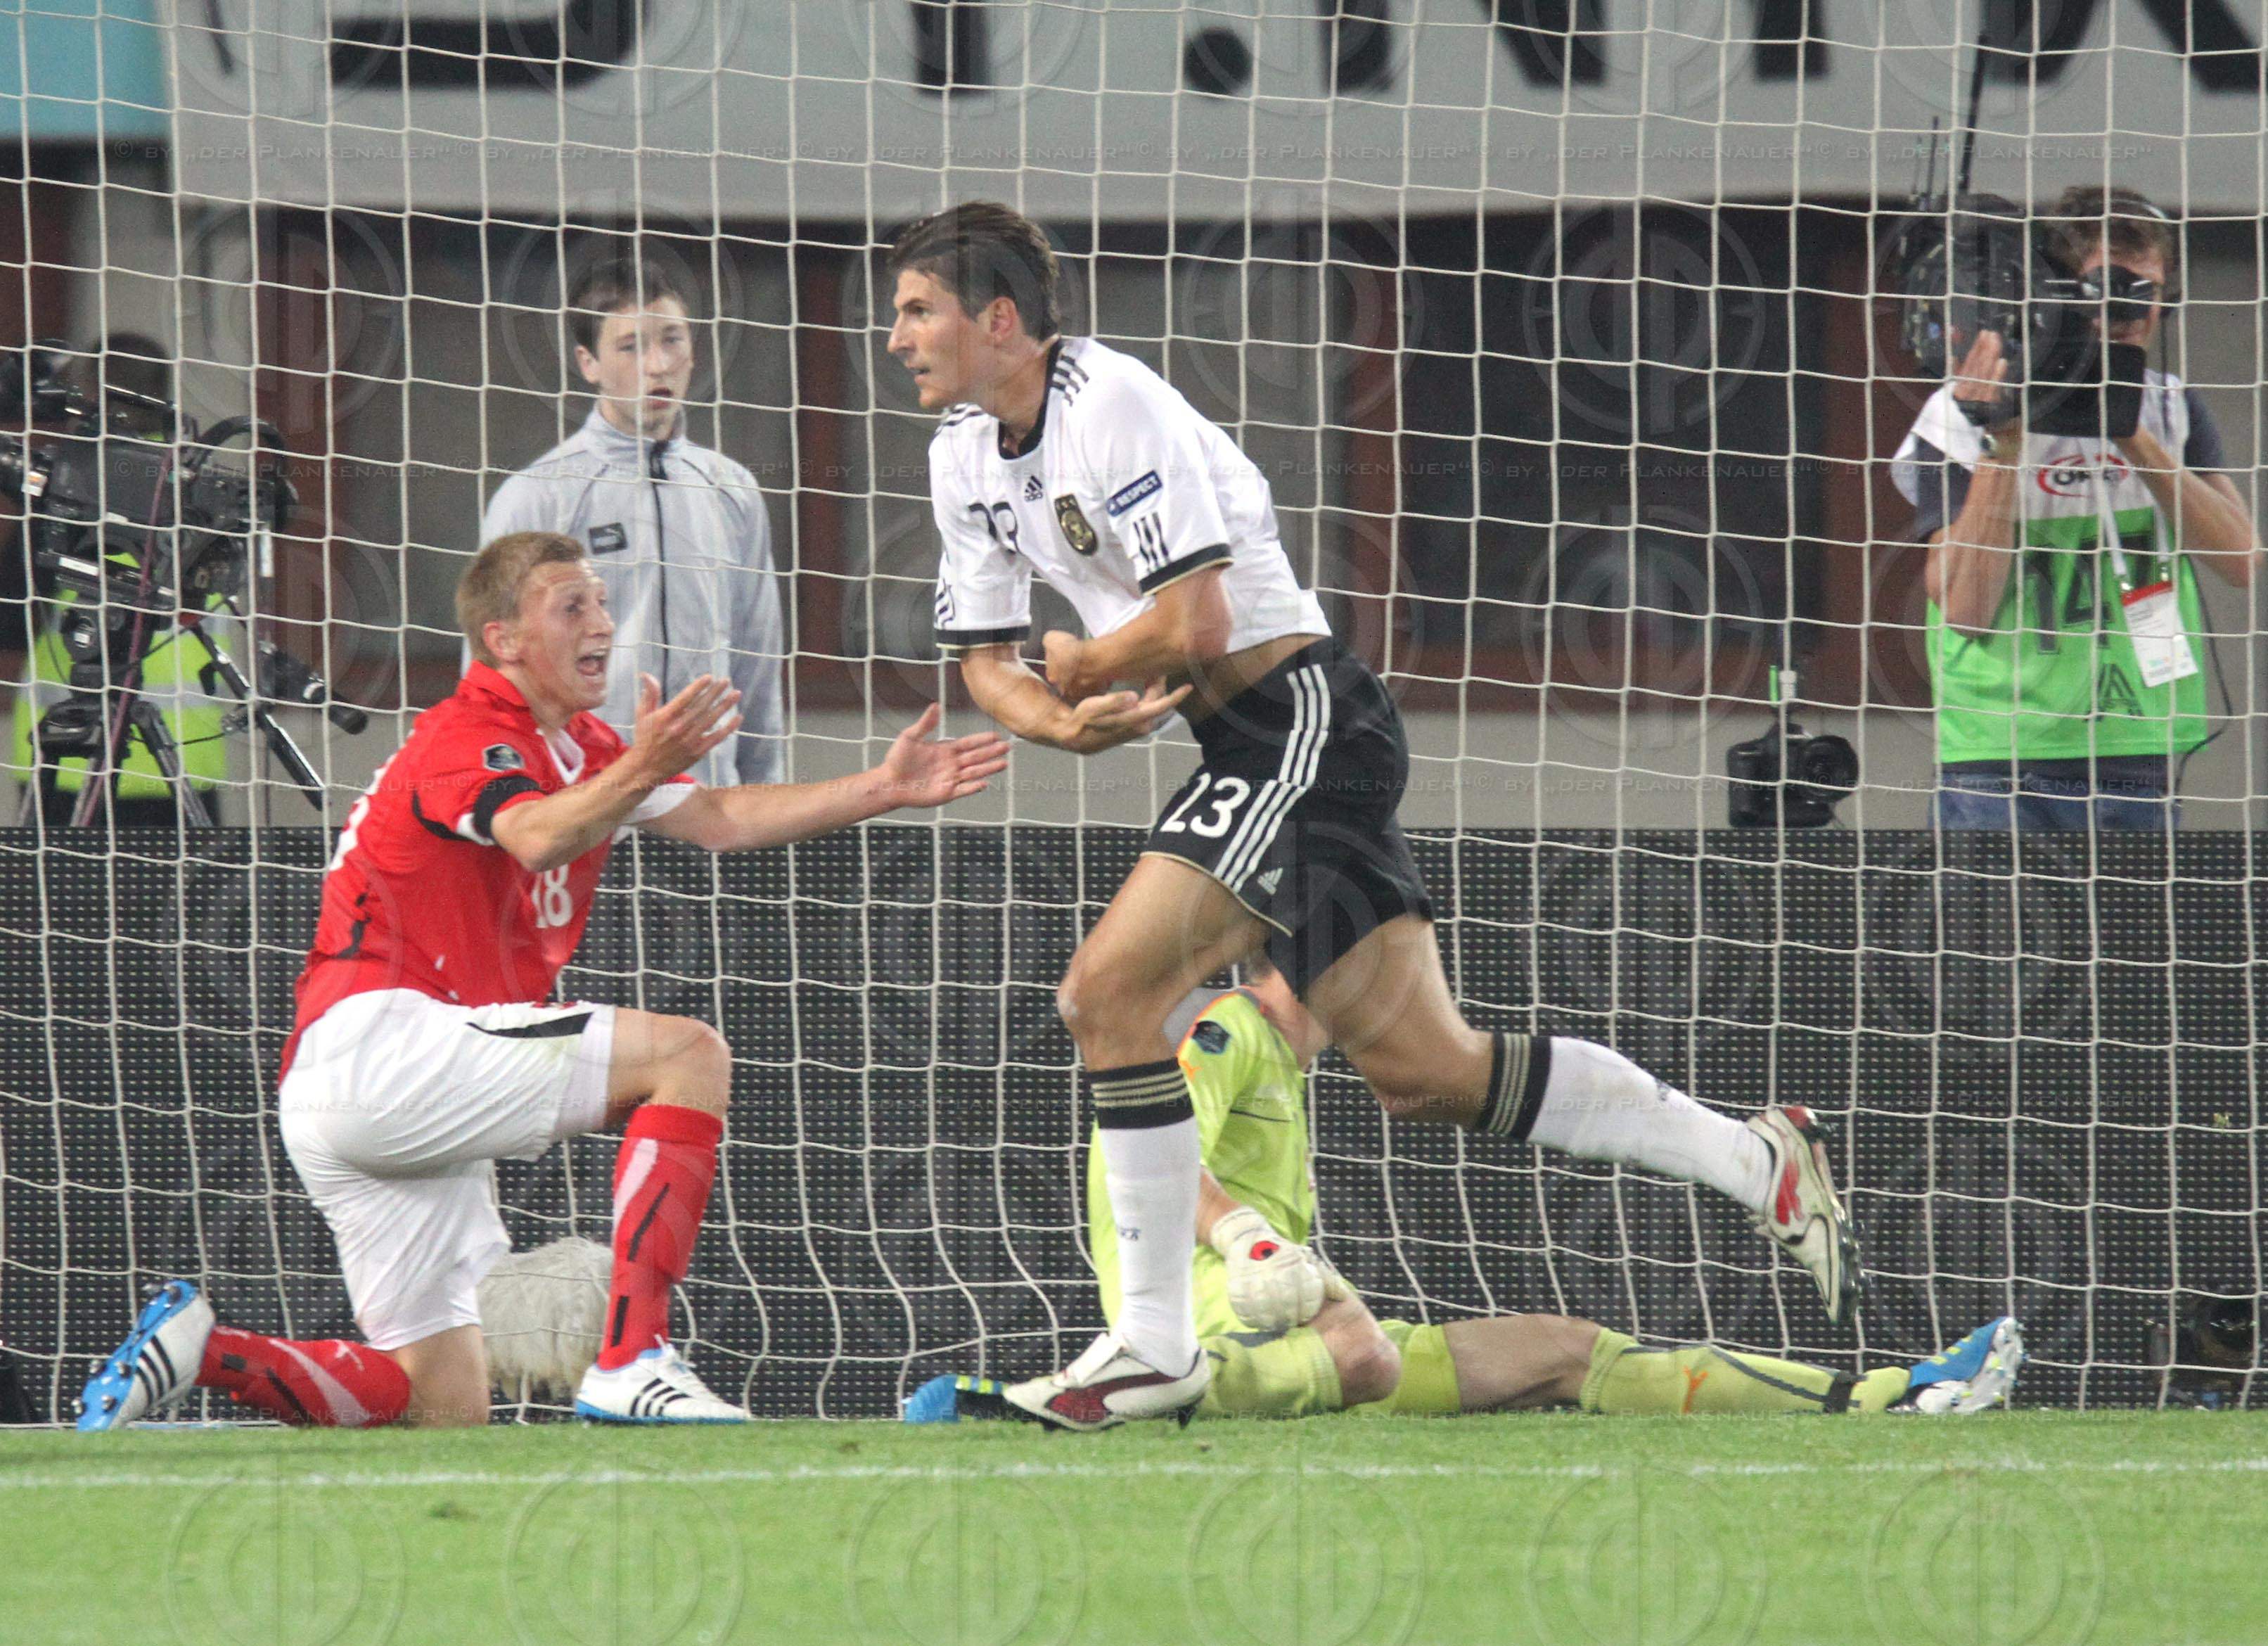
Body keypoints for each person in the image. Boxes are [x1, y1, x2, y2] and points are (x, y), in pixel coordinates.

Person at [888, 201, 1861, 1430]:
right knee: (1427, 1073)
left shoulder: (1113, 404)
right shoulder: (962, 455)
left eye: (919, 310)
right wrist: (1055, 719)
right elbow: (983, 663)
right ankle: (1750, 1156)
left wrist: (1087, 668)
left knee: (1106, 992)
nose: (897, 338)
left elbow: (1194, 627)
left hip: (1300, 719)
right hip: (1264, 742)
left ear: (1001, 320)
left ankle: (1151, 1344)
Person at [76, 530, 1006, 1430]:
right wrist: (645, 762)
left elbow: (721, 817)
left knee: (440, 1405)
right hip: (387, 1043)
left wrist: (879, 789)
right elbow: (535, 833)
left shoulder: (589, 746)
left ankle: (206, 1351)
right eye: (572, 607)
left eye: (601, 601)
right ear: (505, 640)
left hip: (359, 1093)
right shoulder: (462, 735)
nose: (600, 621)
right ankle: (632, 1360)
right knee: (688, 1056)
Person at [907, 961, 2027, 1424]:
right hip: (1224, 1309)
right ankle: (1092, 1397)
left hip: (1287, 1323)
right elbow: (1146, 1148)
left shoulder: (1286, 1057)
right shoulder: (1229, 1029)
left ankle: (1888, 1397)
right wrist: (1245, 1240)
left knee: (1567, 1348)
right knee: (1359, 1354)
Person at [1892, 186, 2256, 831]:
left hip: (2136, 741)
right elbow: (1966, 611)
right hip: (2000, 753)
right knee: (1991, 936)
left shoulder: (2168, 408)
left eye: (2142, 292)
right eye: (2103, 289)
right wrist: (2002, 442)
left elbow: (2241, 561)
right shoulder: (1957, 415)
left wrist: (2126, 427)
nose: (2124, 312)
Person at [482, 255, 786, 787]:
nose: (658, 365)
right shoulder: (538, 497)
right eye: (631, 346)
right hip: (586, 810)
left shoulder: (732, 490)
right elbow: (492, 678)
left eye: (672, 340)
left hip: (710, 811)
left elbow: (757, 663)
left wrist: (765, 798)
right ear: (588, 364)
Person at [8, 333, 232, 826]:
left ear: (93, 396)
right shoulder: (203, 483)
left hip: (68, 756)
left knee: (59, 903)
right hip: (182, 760)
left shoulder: (72, 482)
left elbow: (11, 613)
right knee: (185, 904)